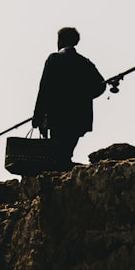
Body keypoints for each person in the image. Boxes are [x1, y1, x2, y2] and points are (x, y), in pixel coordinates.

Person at [32, 27, 107, 168]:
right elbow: (101, 85)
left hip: (57, 116)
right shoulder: (85, 62)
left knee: (58, 154)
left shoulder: (54, 59)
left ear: (60, 40)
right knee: (66, 151)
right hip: (79, 117)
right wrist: (83, 97)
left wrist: (38, 117)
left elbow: (44, 89)